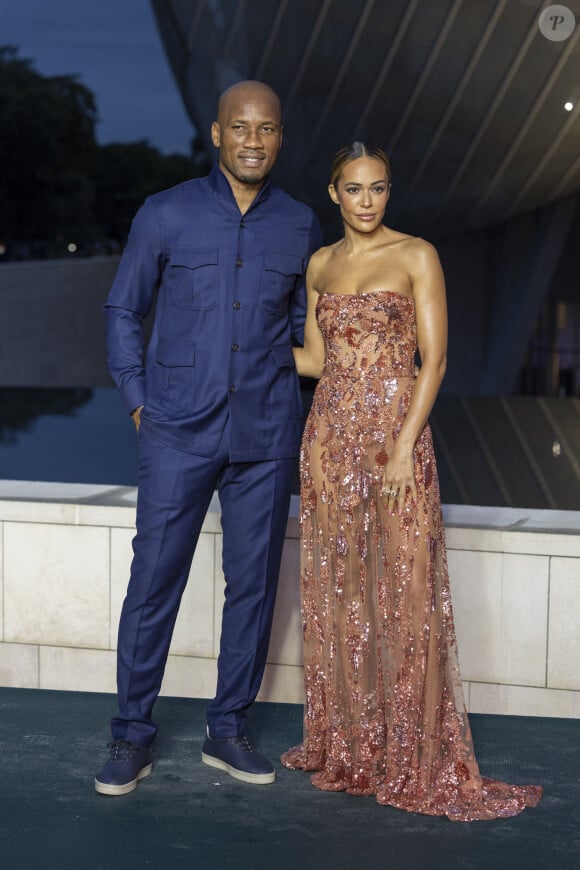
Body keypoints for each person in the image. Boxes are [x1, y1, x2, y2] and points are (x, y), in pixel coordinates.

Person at [280, 142, 542, 820]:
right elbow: (314, 358)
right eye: (354, 189)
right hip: (330, 439)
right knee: (342, 591)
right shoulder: (320, 264)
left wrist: (401, 449)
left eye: (378, 188)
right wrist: (244, 345)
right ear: (333, 195)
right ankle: (353, 745)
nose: (367, 201)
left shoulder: (417, 254)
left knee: (406, 585)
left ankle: (412, 753)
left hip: (397, 440)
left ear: (387, 192)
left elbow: (437, 359)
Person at [95, 80, 322, 796]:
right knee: (155, 580)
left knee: (252, 587)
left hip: (264, 435)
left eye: (268, 129)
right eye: (240, 127)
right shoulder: (165, 214)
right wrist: (139, 402)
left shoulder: (300, 224)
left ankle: (228, 732)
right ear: (218, 134)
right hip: (176, 432)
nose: (254, 139)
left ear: (281, 137)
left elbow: (302, 333)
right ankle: (131, 735)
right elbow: (123, 310)